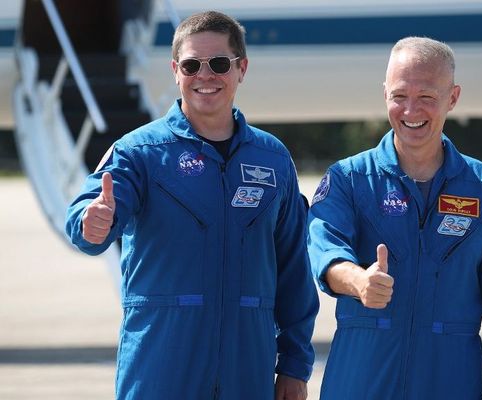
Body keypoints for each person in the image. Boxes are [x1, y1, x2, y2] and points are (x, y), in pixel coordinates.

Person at [65, 11, 318, 400]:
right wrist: (91, 223)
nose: (205, 76)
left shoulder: (273, 159)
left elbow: (294, 273)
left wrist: (295, 366)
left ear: (241, 69)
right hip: (160, 368)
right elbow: (91, 213)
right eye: (191, 65)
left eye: (219, 64)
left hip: (246, 371)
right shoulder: (140, 152)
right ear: (175, 70)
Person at [307, 37, 482, 400]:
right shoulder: (349, 179)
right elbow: (324, 249)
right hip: (360, 383)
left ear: (453, 98)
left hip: (449, 383)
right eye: (400, 95)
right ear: (384, 94)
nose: (411, 110)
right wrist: (358, 281)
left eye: (426, 97)